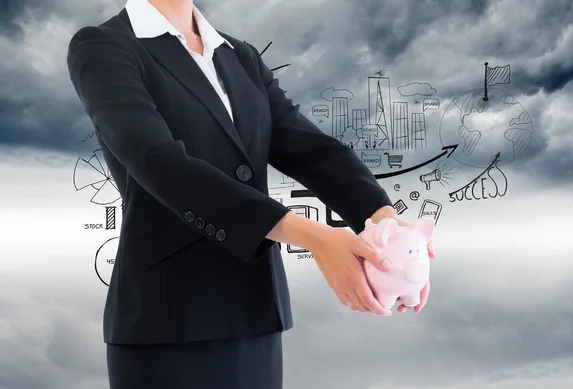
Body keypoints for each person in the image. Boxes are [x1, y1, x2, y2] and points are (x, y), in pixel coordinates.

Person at [66, 0, 436, 388]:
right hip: (167, 318)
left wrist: (386, 224)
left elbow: (309, 149)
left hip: (254, 310)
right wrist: (317, 238)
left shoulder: (239, 55)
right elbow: (159, 163)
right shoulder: (103, 46)